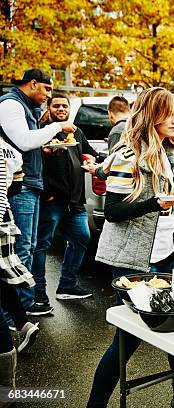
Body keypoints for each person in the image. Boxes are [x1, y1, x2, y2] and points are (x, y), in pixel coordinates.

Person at [88, 87, 174, 408]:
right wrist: (156, 202)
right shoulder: (129, 155)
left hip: (168, 256)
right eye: (168, 113)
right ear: (151, 115)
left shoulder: (171, 154)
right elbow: (112, 210)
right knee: (128, 339)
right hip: (133, 260)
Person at [0, 68, 76, 317]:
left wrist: (45, 150)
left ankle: (24, 304)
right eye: (47, 89)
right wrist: (57, 128)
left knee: (29, 246)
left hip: (31, 184)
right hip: (19, 186)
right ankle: (18, 311)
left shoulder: (24, 106)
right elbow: (23, 141)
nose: (48, 95)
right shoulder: (11, 104)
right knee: (21, 248)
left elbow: (24, 144)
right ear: (33, 84)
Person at [31, 92, 101, 304]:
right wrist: (46, 192)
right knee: (41, 245)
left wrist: (91, 160)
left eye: (64, 106)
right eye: (57, 106)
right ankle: (38, 292)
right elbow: (34, 163)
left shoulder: (76, 132)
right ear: (49, 109)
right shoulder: (43, 132)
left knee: (81, 239)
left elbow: (88, 153)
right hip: (51, 200)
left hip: (75, 202)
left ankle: (67, 285)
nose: (61, 109)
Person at [0, 138, 39, 356]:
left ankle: (6, 355)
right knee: (2, 278)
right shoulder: (9, 149)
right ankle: (23, 324)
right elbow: (15, 185)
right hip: (5, 218)